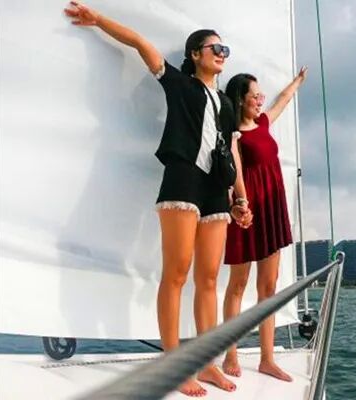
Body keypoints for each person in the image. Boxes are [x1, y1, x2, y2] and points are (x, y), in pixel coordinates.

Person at [64, 2, 252, 397]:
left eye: (225, 49)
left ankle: (208, 364)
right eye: (215, 48)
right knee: (176, 273)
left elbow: (232, 151)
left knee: (208, 280)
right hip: (183, 180)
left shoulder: (227, 104)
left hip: (216, 190)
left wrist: (241, 198)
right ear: (195, 54)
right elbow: (138, 43)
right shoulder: (179, 84)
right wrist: (97, 20)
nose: (222, 54)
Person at [222, 67, 307, 382]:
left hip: (272, 208)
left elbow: (282, 100)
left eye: (260, 95)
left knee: (268, 288)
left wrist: (297, 81)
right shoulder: (233, 135)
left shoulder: (263, 123)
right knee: (238, 285)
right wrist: (238, 206)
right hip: (247, 211)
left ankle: (267, 359)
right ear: (240, 99)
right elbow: (232, 175)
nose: (260, 99)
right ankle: (230, 354)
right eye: (255, 95)